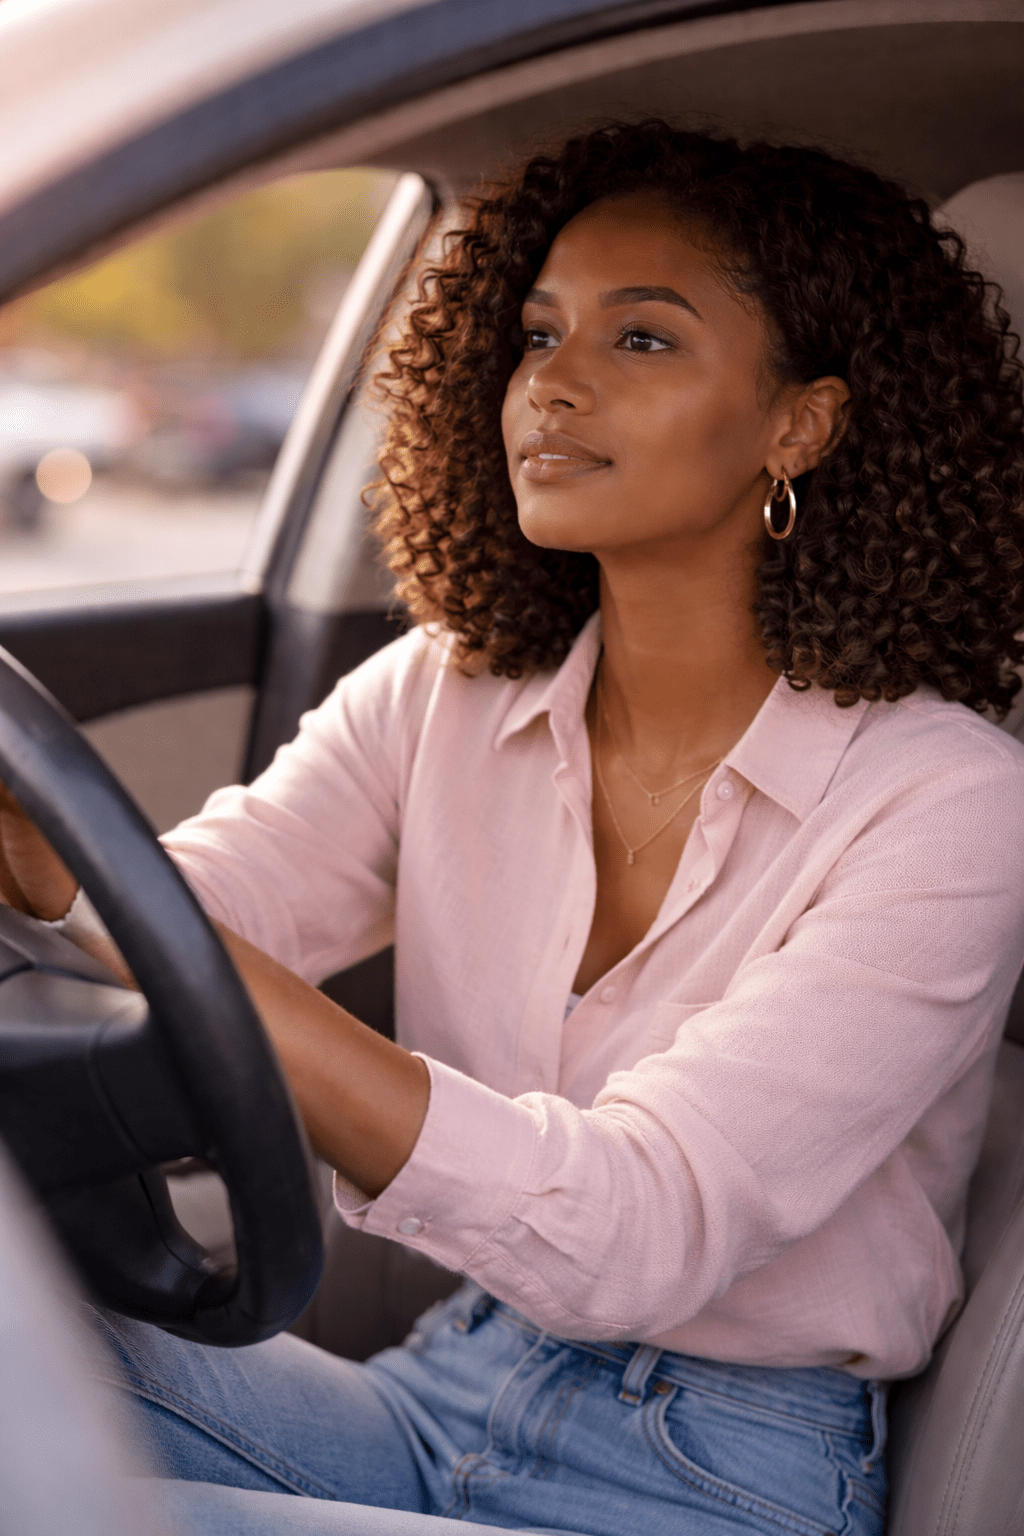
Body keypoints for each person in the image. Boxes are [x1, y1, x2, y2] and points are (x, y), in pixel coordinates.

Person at [4, 119, 1024, 1536]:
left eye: (644, 341)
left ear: (802, 424)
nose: (552, 384)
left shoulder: (948, 801)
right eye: (539, 335)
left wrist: (192, 963)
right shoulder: (448, 691)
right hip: (451, 1383)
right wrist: (36, 850)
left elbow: (638, 1228)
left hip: (718, 1475)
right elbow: (202, 908)